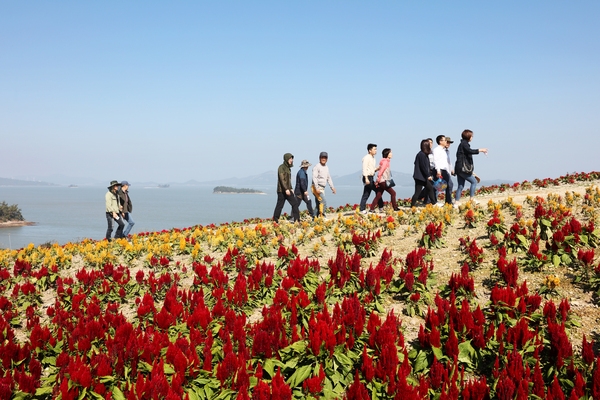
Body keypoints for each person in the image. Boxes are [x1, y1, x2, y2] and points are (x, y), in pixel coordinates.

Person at [454, 129, 488, 204]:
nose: (472, 137)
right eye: (471, 136)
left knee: (460, 185)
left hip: (459, 168)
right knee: (474, 181)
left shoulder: (462, 144)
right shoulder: (464, 144)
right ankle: (471, 199)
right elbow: (470, 151)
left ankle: (456, 201)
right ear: (468, 136)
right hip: (463, 169)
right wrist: (480, 150)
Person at [273, 153, 300, 223]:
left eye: (292, 159)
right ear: (286, 159)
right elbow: (282, 180)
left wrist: (291, 188)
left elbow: (288, 181)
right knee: (280, 206)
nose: (292, 160)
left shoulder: (288, 168)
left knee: (295, 204)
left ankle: (297, 220)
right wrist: (286, 189)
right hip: (281, 190)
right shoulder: (281, 167)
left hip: (287, 190)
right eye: (290, 159)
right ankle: (275, 220)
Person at [411, 140, 437, 207]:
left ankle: (434, 203)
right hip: (420, 177)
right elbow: (423, 167)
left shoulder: (423, 154)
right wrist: (428, 175)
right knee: (417, 192)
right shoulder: (422, 155)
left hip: (421, 177)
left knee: (430, 188)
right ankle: (412, 205)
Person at [359, 143, 383, 213]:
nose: (376, 151)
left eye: (376, 149)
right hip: (367, 177)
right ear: (370, 150)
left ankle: (362, 208)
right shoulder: (366, 158)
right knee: (378, 190)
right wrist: (366, 178)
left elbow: (371, 169)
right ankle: (380, 206)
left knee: (366, 193)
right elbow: (364, 168)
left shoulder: (373, 158)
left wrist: (376, 169)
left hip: (371, 177)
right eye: (374, 149)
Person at [312, 152, 336, 218]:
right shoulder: (317, 167)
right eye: (322, 157)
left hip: (322, 188)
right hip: (317, 187)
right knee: (323, 202)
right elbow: (314, 178)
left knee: (318, 205)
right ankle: (323, 217)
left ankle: (314, 219)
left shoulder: (326, 167)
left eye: (325, 158)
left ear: (327, 159)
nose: (323, 159)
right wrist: (316, 188)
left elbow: (328, 178)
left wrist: (332, 187)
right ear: (319, 158)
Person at [432, 135, 454, 205]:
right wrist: (438, 170)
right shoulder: (436, 150)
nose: (446, 142)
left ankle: (448, 201)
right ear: (440, 141)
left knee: (449, 184)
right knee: (437, 186)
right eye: (444, 140)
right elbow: (436, 161)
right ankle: (434, 201)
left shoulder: (444, 151)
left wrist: (450, 169)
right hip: (440, 170)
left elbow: (447, 162)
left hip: (445, 170)